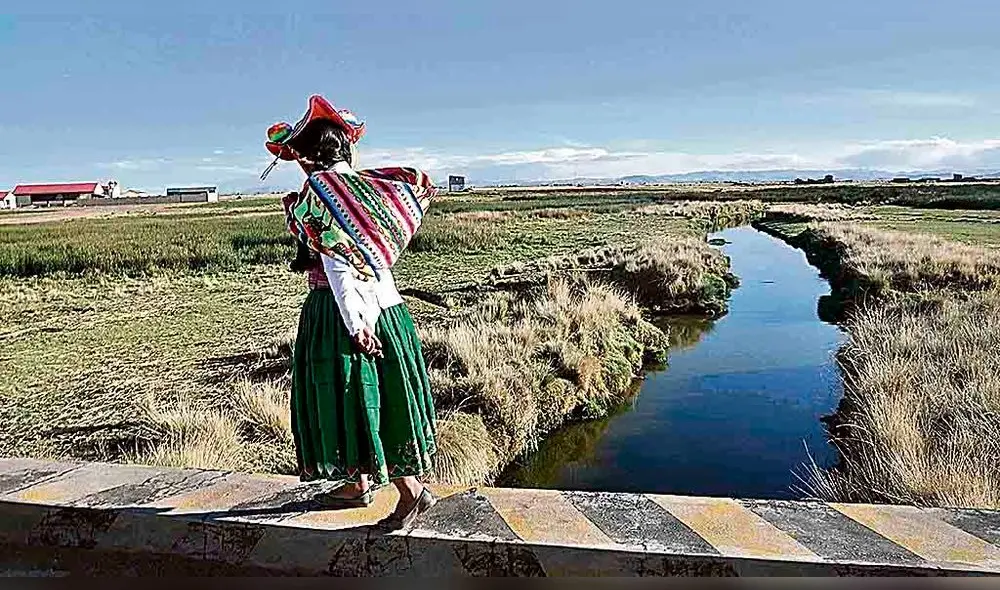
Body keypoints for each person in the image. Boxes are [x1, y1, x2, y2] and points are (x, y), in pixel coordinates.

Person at [263, 95, 438, 530]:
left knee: (354, 395)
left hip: (343, 314)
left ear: (307, 156)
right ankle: (359, 482)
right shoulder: (370, 191)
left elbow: (341, 264)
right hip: (391, 309)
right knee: (389, 392)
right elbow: (371, 259)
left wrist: (357, 324)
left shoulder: (318, 196)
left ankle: (410, 494)